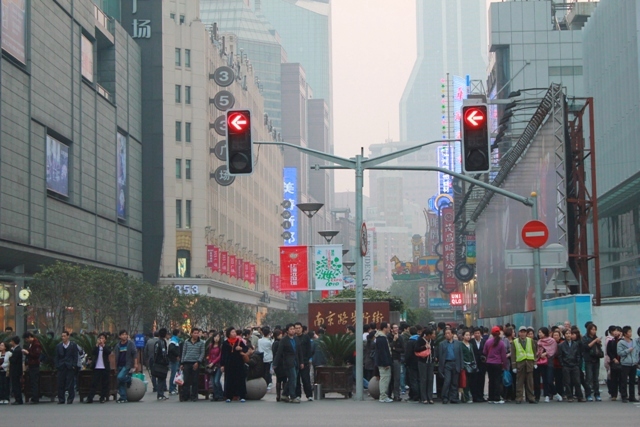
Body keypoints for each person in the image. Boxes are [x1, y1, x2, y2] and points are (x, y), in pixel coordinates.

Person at [273, 323, 303, 403]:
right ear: (287, 331)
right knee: (293, 378)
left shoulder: (296, 339)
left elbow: (299, 351)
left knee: (292, 379)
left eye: (293, 329)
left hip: (296, 361)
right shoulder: (284, 340)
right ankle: (292, 396)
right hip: (288, 363)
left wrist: (301, 362)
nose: (293, 330)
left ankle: (284, 394)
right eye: (291, 329)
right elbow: (279, 353)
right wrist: (274, 364)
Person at [221, 327, 249, 402]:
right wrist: (222, 365)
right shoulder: (225, 343)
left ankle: (242, 395)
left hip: (239, 364)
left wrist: (241, 349)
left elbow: (246, 348)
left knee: (240, 379)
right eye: (232, 332)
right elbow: (223, 355)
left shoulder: (239, 341)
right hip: (229, 364)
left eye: (234, 332)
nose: (234, 333)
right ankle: (229, 396)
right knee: (229, 380)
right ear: (228, 334)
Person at [511, 326, 537, 404]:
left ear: (526, 333)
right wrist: (514, 366)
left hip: (529, 364)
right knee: (519, 382)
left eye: (524, 332)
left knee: (530, 383)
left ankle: (531, 398)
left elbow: (534, 352)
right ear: (518, 333)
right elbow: (513, 355)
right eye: (521, 332)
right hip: (520, 364)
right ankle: (519, 398)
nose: (523, 333)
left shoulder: (530, 341)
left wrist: (535, 362)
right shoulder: (515, 342)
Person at [437, 328, 464, 404]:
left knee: (455, 382)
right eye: (446, 333)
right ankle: (445, 397)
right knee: (447, 381)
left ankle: (454, 397)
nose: (447, 335)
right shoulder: (442, 344)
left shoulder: (458, 343)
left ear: (452, 334)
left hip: (456, 363)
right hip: (447, 364)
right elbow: (440, 357)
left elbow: (460, 355)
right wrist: (440, 368)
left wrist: (461, 365)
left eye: (449, 333)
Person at [483, 326, 507, 404]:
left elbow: (484, 352)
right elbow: (503, 355)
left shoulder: (488, 342)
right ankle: (497, 398)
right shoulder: (501, 343)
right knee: (497, 381)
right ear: (499, 333)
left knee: (491, 380)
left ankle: (491, 397)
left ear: (492, 333)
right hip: (497, 364)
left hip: (489, 363)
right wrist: (505, 365)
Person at [559, 327, 584, 402]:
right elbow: (560, 356)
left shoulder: (576, 344)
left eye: (569, 333)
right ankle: (569, 396)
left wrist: (577, 363)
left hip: (574, 365)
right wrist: (562, 364)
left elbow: (578, 354)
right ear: (564, 335)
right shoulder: (561, 345)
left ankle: (580, 396)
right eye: (566, 334)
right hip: (566, 365)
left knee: (577, 381)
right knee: (567, 382)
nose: (568, 335)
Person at [85, 332, 111, 404]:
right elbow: (93, 352)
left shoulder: (106, 346)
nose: (101, 339)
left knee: (104, 383)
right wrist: (97, 346)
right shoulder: (96, 347)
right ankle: (90, 398)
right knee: (94, 383)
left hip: (104, 367)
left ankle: (102, 397)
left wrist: (103, 346)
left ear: (105, 340)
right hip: (97, 367)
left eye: (102, 338)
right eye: (100, 338)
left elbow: (108, 352)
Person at [54, 331, 79, 404]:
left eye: (64, 336)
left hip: (69, 366)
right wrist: (57, 365)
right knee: (60, 383)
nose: (63, 338)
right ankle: (61, 399)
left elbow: (75, 356)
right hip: (61, 366)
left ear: (68, 336)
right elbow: (56, 357)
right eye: (62, 336)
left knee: (70, 383)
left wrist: (74, 365)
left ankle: (70, 398)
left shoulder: (73, 345)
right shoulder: (59, 346)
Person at [180, 327, 205, 402]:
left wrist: (198, 362)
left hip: (195, 363)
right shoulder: (186, 342)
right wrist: (182, 363)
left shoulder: (201, 343)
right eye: (195, 333)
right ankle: (185, 396)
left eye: (197, 333)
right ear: (191, 334)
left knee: (195, 380)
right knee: (186, 380)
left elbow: (202, 353)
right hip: (187, 362)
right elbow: (183, 352)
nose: (196, 334)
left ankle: (194, 396)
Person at [115, 329, 138, 403]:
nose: (124, 336)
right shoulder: (118, 345)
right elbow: (115, 356)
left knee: (120, 377)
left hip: (127, 364)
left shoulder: (130, 343)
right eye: (123, 334)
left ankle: (129, 379)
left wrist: (136, 363)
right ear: (119, 336)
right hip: (119, 365)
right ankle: (123, 397)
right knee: (120, 381)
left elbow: (135, 353)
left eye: (125, 334)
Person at [582, 323, 603, 401]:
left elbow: (598, 348)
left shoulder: (596, 337)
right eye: (592, 329)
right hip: (588, 360)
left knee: (596, 378)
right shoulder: (585, 338)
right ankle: (588, 394)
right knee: (588, 378)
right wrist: (595, 341)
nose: (594, 331)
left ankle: (597, 394)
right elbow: (586, 347)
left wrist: (598, 343)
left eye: (595, 329)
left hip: (596, 359)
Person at [617, 325, 638, 403]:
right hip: (625, 364)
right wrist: (628, 350)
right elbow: (619, 353)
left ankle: (632, 396)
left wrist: (636, 360)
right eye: (629, 332)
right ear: (625, 333)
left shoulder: (634, 341)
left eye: (631, 331)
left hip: (633, 364)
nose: (630, 333)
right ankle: (624, 396)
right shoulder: (621, 343)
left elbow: (636, 352)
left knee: (632, 381)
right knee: (624, 381)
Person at [536, 327, 557, 403]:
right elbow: (538, 352)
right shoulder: (539, 342)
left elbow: (553, 351)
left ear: (545, 333)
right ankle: (546, 395)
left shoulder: (552, 341)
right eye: (539, 332)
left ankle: (555, 393)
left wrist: (546, 353)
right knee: (544, 379)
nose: (539, 334)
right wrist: (539, 355)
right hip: (541, 362)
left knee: (549, 380)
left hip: (549, 362)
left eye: (540, 332)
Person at [415, 327, 435, 404]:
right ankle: (424, 397)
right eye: (432, 334)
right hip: (422, 362)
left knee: (430, 379)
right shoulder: (420, 340)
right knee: (423, 379)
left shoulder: (432, 341)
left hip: (430, 362)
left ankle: (430, 397)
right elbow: (416, 349)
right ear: (428, 335)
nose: (433, 335)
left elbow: (433, 350)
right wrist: (424, 347)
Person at [374, 322, 393, 403]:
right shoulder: (381, 338)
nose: (389, 329)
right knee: (384, 379)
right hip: (383, 363)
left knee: (384, 379)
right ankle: (383, 396)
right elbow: (383, 352)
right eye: (388, 327)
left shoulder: (381, 337)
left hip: (383, 362)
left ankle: (384, 396)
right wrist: (386, 363)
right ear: (384, 328)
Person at [21, 332, 42, 404]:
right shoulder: (31, 344)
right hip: (31, 364)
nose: (26, 340)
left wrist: (28, 353)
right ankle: (34, 396)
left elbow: (36, 354)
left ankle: (35, 397)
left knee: (34, 382)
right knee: (32, 381)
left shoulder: (36, 344)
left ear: (30, 337)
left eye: (26, 339)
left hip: (34, 364)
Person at [294, 323, 313, 401]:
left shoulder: (306, 337)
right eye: (296, 328)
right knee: (296, 379)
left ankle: (309, 395)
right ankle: (298, 395)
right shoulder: (293, 338)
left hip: (304, 362)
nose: (298, 329)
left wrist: (306, 359)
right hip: (295, 362)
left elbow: (309, 349)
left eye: (299, 328)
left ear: (302, 329)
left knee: (306, 379)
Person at [152, 328, 170, 401]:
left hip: (157, 362)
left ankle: (160, 394)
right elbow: (164, 353)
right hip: (162, 363)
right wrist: (166, 361)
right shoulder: (162, 342)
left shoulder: (157, 342)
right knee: (161, 379)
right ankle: (160, 394)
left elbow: (155, 353)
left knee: (160, 379)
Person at [470, 327, 486, 402]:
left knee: (481, 380)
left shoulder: (484, 341)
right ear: (473, 334)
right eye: (475, 333)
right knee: (474, 380)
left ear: (481, 334)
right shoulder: (471, 342)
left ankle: (481, 396)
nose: (477, 335)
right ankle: (475, 396)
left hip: (482, 364)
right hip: (474, 363)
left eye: (478, 333)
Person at [206, 332, 223, 401]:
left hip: (218, 365)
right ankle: (216, 395)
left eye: (218, 337)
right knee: (212, 382)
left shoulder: (221, 346)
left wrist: (213, 362)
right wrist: (210, 362)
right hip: (211, 366)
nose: (216, 338)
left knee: (216, 381)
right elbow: (209, 355)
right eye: (215, 337)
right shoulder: (211, 345)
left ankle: (221, 395)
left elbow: (220, 356)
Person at [606, 326, 622, 401]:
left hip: (623, 362)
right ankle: (614, 395)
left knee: (622, 379)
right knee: (613, 379)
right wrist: (613, 358)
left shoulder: (622, 341)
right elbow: (609, 351)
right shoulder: (611, 341)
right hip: (614, 362)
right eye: (615, 331)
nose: (616, 332)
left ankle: (623, 393)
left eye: (618, 331)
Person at [271, 329, 287, 402]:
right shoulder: (279, 343)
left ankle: (278, 395)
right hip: (281, 363)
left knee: (278, 379)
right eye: (280, 334)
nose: (282, 335)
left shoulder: (274, 343)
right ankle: (283, 394)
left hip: (277, 363)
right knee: (284, 379)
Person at [460, 330, 475, 403]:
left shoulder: (471, 345)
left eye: (469, 335)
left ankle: (469, 396)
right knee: (464, 381)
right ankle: (465, 397)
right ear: (463, 336)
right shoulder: (460, 345)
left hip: (471, 365)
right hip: (464, 365)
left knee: (470, 381)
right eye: (466, 335)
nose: (468, 336)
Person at [8, 336, 23, 404]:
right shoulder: (14, 349)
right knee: (15, 385)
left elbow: (13, 360)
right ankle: (17, 398)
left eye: (11, 341)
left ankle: (18, 399)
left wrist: (10, 357)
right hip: (15, 370)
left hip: (16, 370)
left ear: (13, 342)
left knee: (16, 385)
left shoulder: (17, 350)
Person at [168, 329, 181, 395]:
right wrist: (177, 355)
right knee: (173, 374)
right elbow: (172, 349)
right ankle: (172, 388)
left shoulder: (175, 339)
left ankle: (174, 387)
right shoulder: (173, 340)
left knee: (175, 374)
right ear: (178, 333)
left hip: (175, 359)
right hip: (174, 359)